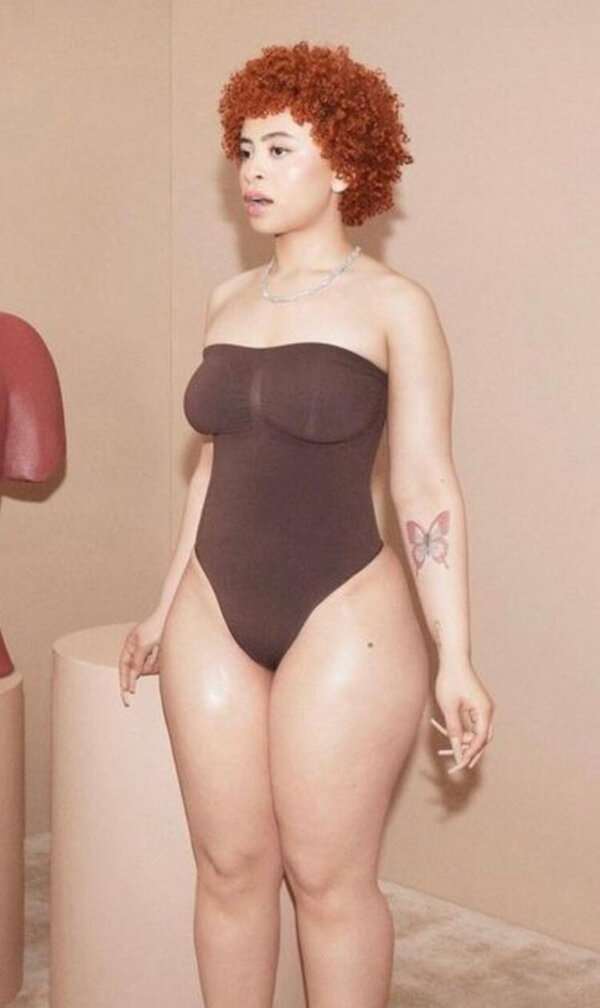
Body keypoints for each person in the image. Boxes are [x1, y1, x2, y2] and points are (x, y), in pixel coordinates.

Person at [118, 41, 495, 1008]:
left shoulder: (396, 307)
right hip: (213, 607)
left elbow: (424, 486)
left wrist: (455, 657)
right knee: (228, 868)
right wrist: (164, 604)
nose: (253, 170)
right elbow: (215, 465)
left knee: (328, 883)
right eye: (246, 149)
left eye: (281, 149)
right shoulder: (226, 301)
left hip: (346, 611)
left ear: (345, 166)